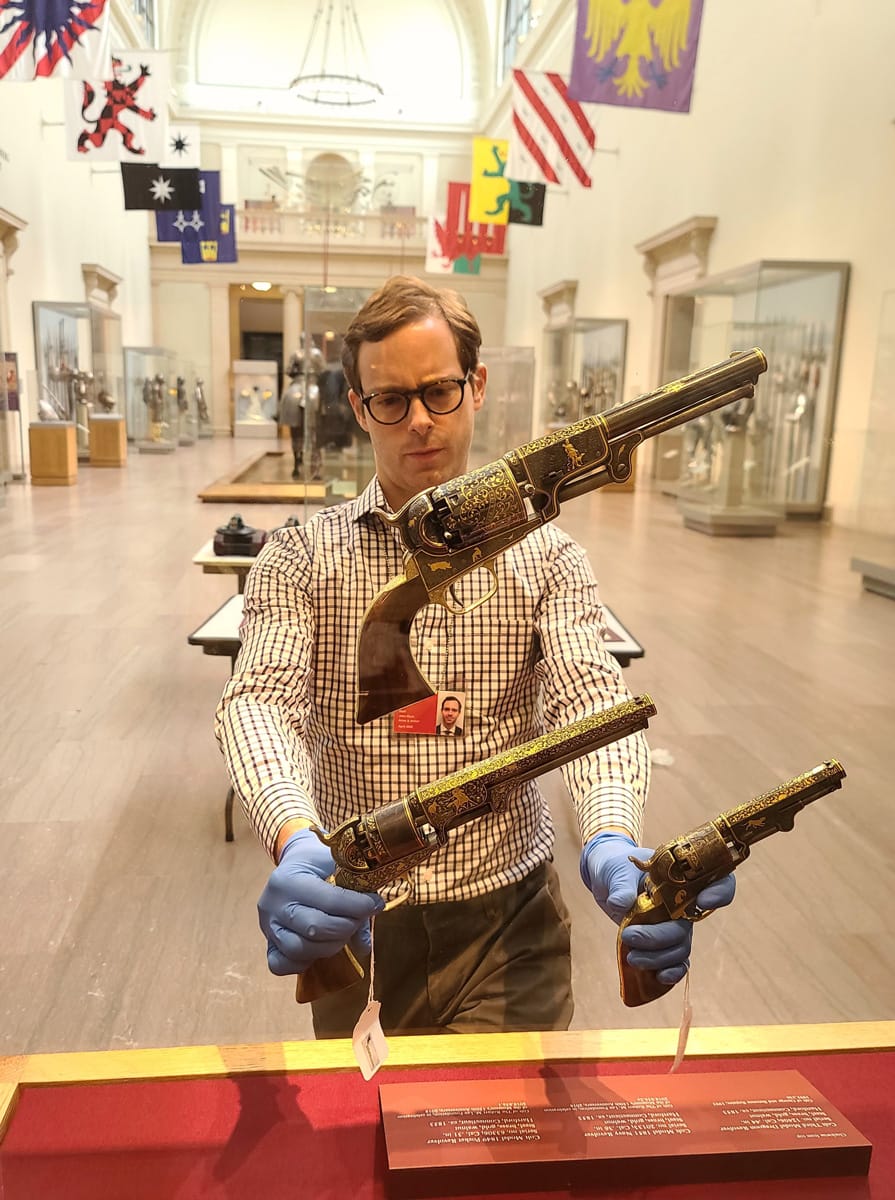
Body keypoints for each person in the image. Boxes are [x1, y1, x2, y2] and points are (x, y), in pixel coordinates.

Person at [215, 275, 734, 1039]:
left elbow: (589, 700)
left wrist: (610, 835)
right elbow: (259, 700)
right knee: (367, 1138)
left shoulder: (549, 559)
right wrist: (295, 838)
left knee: (509, 1141)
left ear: (477, 385)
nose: (419, 421)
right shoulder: (300, 557)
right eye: (390, 399)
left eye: (440, 391)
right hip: (358, 919)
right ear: (358, 409)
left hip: (509, 918)